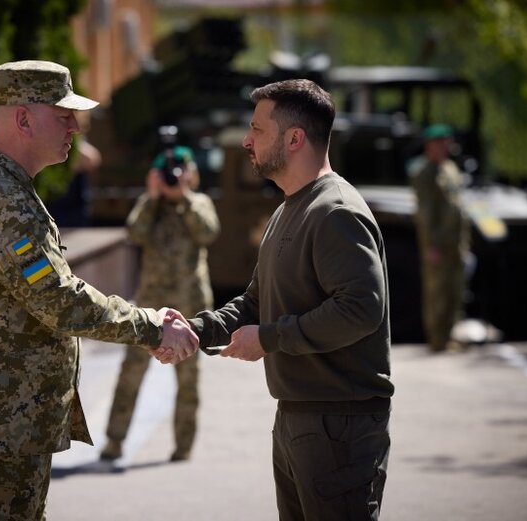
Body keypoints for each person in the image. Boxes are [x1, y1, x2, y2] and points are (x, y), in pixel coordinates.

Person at [0, 60, 198, 521]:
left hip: (3, 426)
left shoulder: (0, 187)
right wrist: (150, 327)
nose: (76, 126)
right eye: (63, 114)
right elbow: (58, 300)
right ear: (23, 119)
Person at [157, 79, 394, 520]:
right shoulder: (290, 207)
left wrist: (268, 339)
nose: (247, 140)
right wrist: (196, 330)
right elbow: (256, 301)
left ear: (294, 138)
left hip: (338, 422)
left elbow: (360, 309)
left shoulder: (335, 211)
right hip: (299, 418)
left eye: (257, 129)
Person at [100, 146, 220, 463]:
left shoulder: (199, 203)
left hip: (190, 305)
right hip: (150, 308)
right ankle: (114, 441)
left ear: (192, 174)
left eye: (183, 171)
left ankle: (183, 446)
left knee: (188, 380)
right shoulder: (149, 206)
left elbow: (208, 232)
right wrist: (153, 198)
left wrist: (183, 198)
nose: (175, 178)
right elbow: (134, 234)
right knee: (131, 374)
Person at [407, 124, 470, 352]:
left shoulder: (450, 169)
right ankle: (437, 339)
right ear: (429, 146)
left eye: (447, 141)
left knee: (455, 290)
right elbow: (425, 214)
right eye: (440, 142)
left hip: (455, 242)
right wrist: (430, 246)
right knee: (437, 292)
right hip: (438, 243)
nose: (446, 146)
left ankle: (448, 335)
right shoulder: (424, 173)